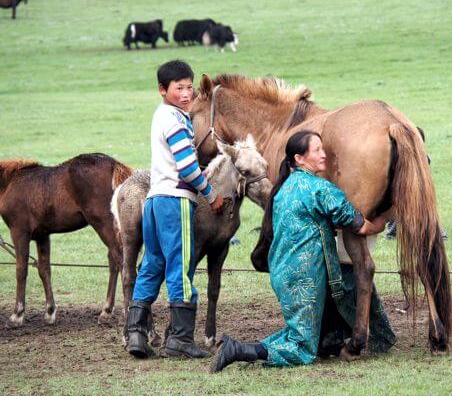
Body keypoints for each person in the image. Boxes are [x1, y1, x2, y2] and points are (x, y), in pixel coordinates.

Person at [211, 130, 391, 372]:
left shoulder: (283, 188)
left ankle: (350, 336)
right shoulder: (321, 190)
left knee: (298, 331)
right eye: (317, 150)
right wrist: (385, 220)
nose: (323, 155)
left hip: (284, 273)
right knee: (302, 349)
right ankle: (239, 350)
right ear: (299, 158)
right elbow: (360, 226)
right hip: (304, 278)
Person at [126, 60, 224, 359]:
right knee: (181, 266)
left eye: (189, 87)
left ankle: (136, 335)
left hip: (155, 200)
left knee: (152, 263)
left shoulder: (160, 116)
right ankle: (180, 339)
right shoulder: (178, 120)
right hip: (175, 201)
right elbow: (187, 167)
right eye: (178, 88)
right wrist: (211, 194)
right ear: (162, 90)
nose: (186, 93)